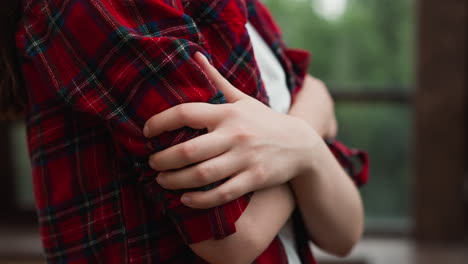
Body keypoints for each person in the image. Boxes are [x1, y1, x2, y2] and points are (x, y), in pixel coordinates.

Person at [0, 0, 368, 263]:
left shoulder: (246, 11)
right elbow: (231, 239)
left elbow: (343, 233)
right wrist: (307, 132)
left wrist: (304, 148)